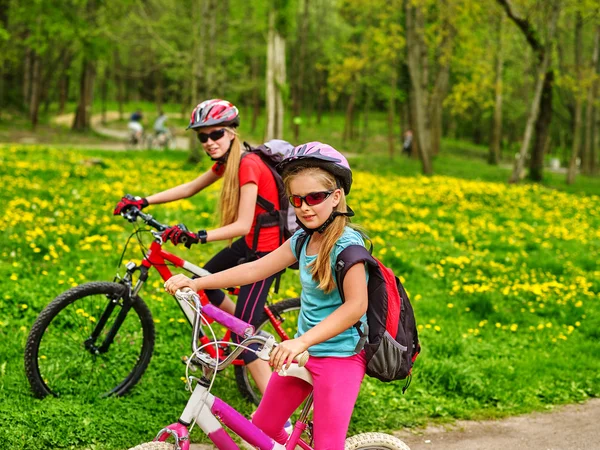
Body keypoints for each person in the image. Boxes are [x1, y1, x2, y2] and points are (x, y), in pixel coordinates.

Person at [164, 142, 369, 449]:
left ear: (336, 196)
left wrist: (301, 341)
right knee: (263, 425)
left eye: (314, 197)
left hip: (339, 357)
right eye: (297, 200)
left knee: (329, 445)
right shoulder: (303, 239)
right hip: (303, 352)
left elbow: (355, 307)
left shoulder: (348, 247)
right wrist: (199, 284)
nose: (305, 207)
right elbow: (255, 269)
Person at [114, 99, 285, 396]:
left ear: (232, 131)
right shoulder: (228, 161)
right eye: (201, 136)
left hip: (265, 254)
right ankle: (243, 323)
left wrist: (197, 236)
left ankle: (277, 416)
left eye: (215, 134)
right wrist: (144, 200)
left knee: (245, 341)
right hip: (249, 245)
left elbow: (243, 224)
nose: (208, 142)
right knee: (205, 282)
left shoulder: (249, 164)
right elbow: (190, 188)